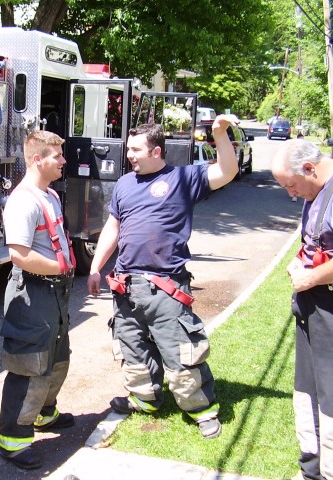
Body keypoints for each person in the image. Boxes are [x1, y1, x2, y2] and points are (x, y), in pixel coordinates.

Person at [87, 115, 240, 439]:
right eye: (129, 149)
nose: (129, 155)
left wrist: (219, 134)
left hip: (165, 289)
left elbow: (227, 171)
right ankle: (146, 399)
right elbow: (113, 227)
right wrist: (95, 267)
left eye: (136, 150)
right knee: (132, 348)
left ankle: (202, 410)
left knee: (181, 352)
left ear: (156, 151)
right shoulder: (126, 184)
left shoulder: (183, 179)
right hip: (126, 287)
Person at [271, 139, 333, 480]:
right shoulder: (318, 190)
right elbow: (319, 244)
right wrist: (301, 263)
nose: (292, 194)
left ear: (309, 168)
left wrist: (311, 277)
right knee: (308, 399)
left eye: (292, 185)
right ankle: (313, 470)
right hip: (315, 315)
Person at [0, 130, 76, 470]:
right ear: (36, 160)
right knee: (29, 368)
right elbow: (19, 254)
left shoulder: (50, 195)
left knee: (57, 360)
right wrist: (61, 266)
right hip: (33, 292)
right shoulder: (23, 201)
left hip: (54, 292)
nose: (63, 160)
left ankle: (44, 414)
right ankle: (13, 441)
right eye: (56, 156)